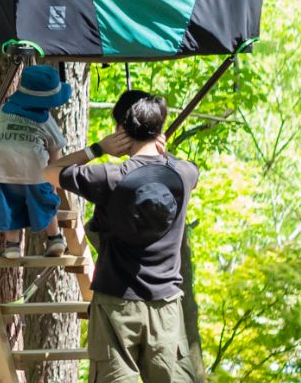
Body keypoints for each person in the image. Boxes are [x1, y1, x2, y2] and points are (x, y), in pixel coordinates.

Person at [48, 89, 201, 383]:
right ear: (159, 130)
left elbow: (49, 170)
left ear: (122, 130)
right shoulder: (184, 174)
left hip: (116, 304)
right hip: (167, 307)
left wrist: (98, 148)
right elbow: (186, 169)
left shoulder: (109, 177)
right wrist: (161, 151)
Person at [0, 64, 71, 259]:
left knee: (8, 204)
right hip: (35, 173)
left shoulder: (2, 111)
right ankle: (55, 238)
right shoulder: (44, 120)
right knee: (45, 202)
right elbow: (55, 150)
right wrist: (53, 180)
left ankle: (12, 246)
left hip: (3, 170)